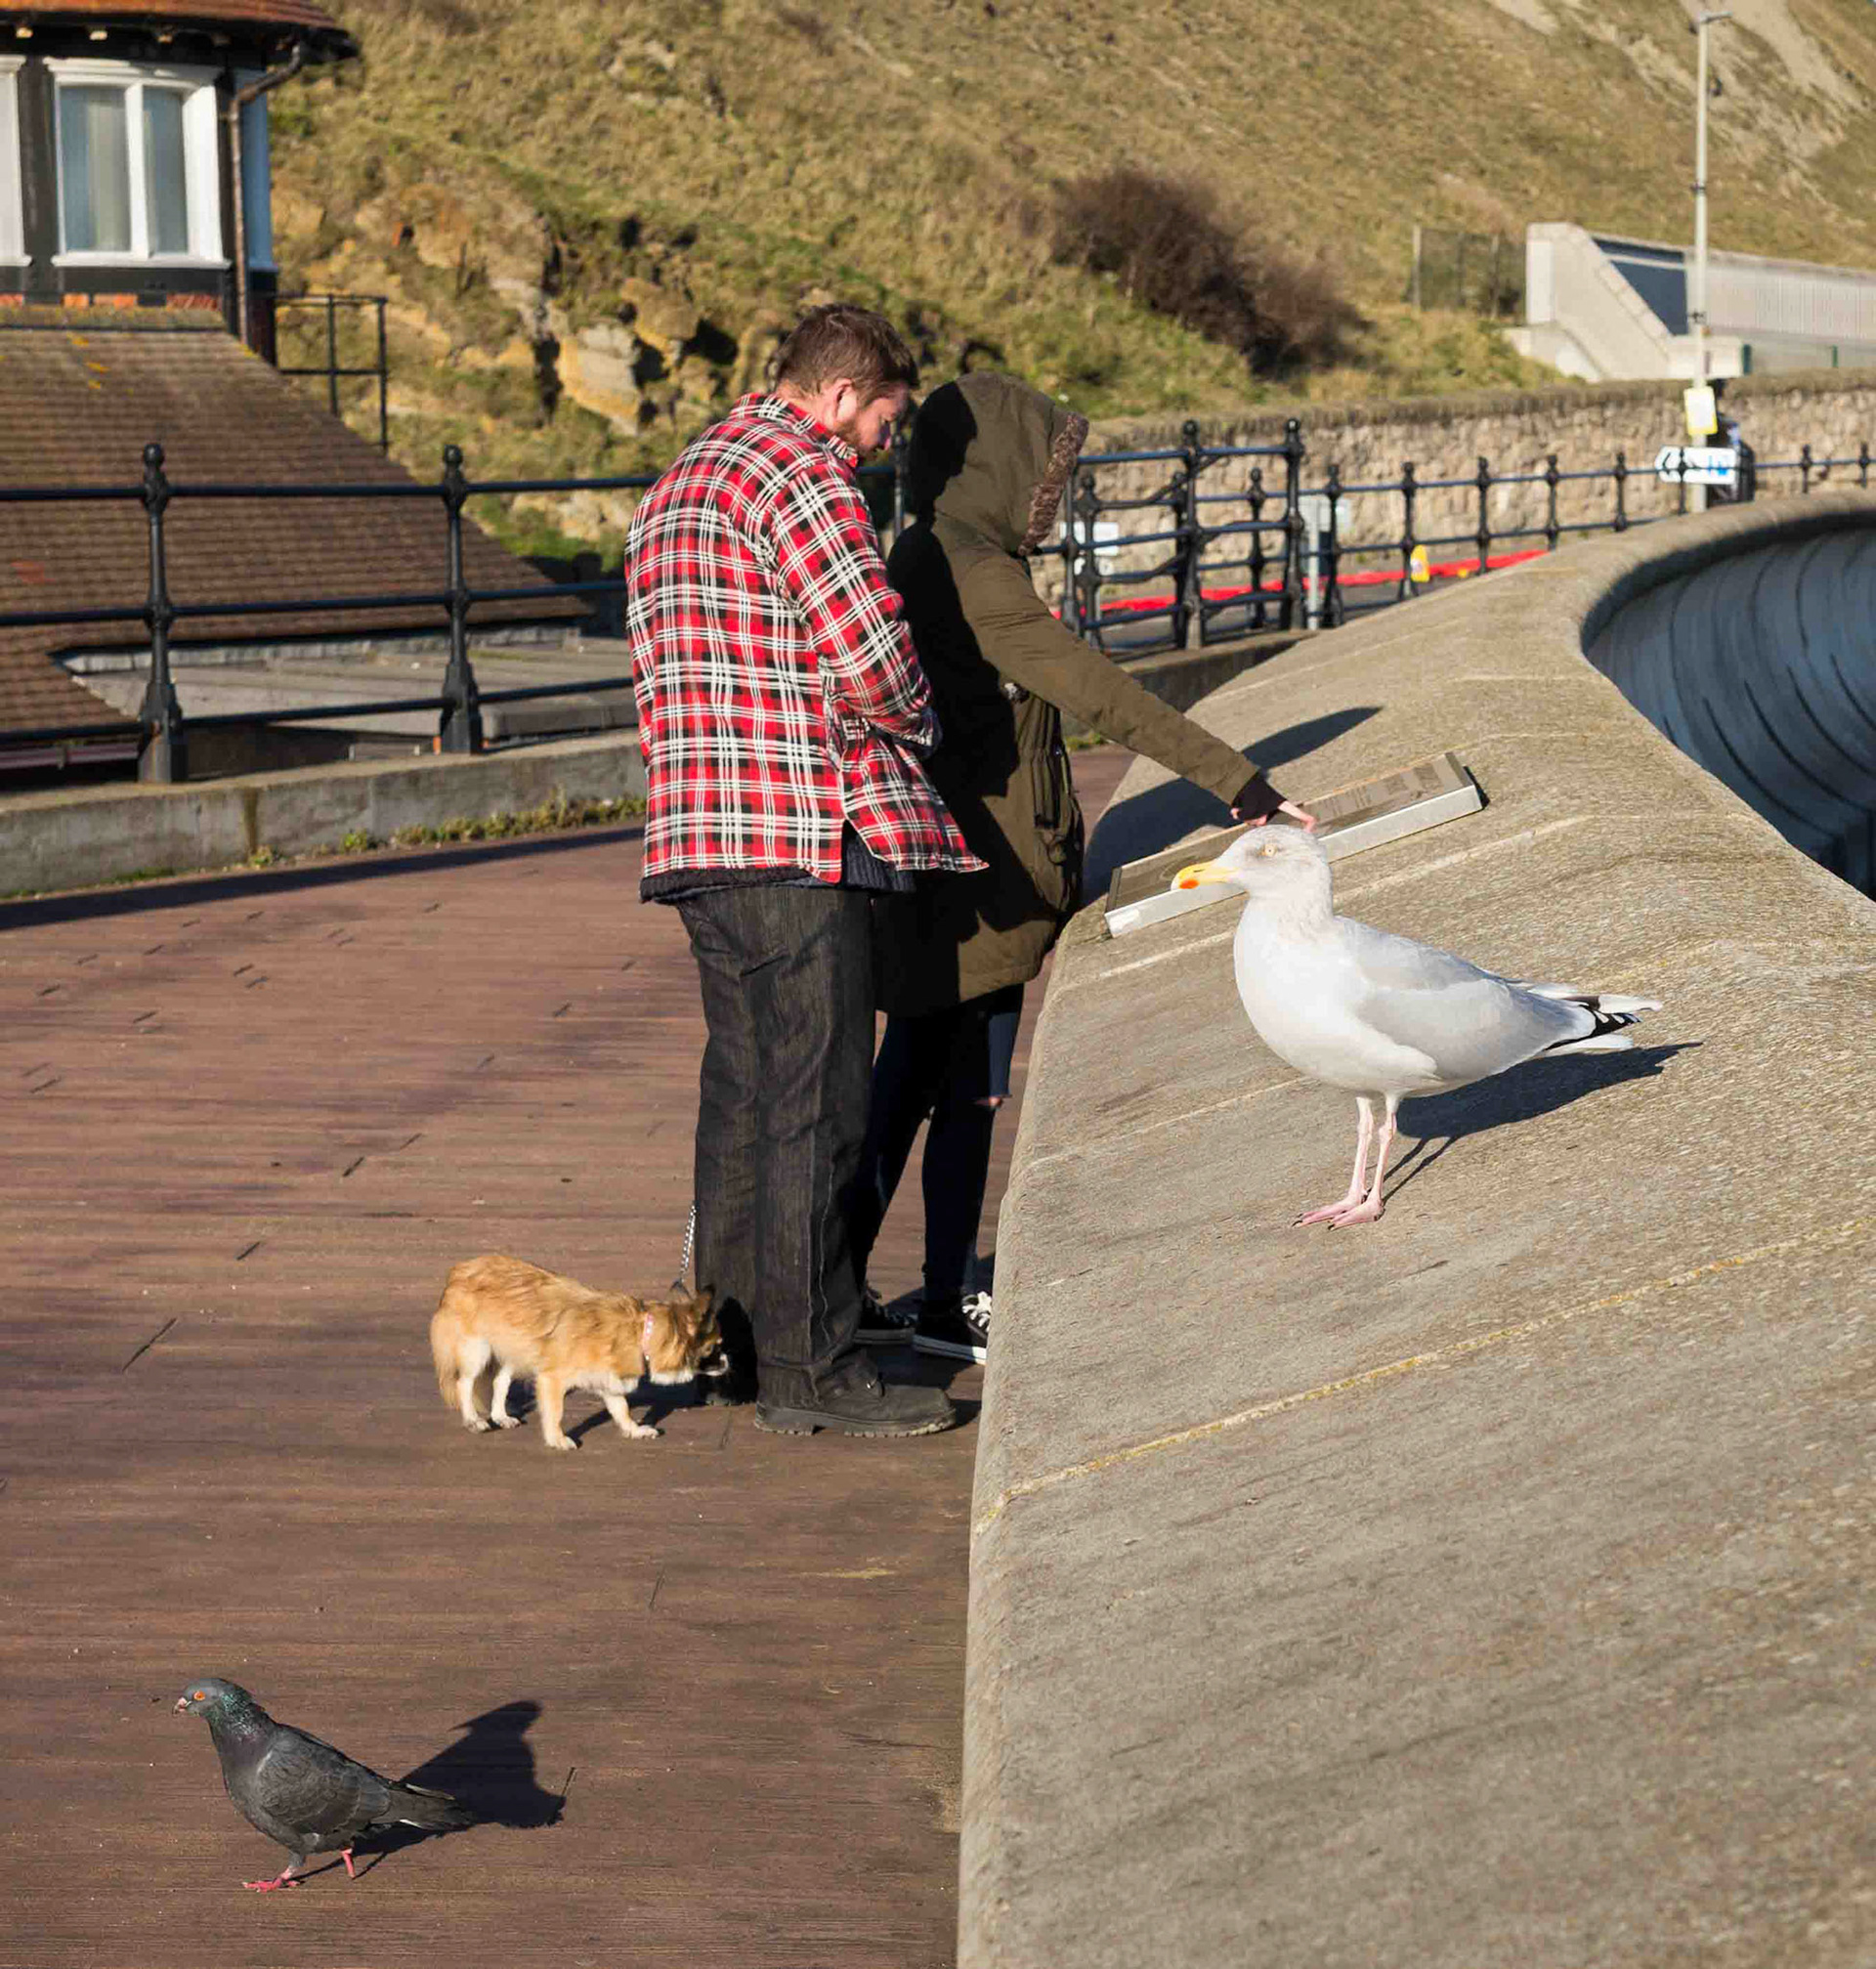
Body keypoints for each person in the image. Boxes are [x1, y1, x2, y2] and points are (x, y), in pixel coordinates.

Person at [847, 372, 1315, 1362]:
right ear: (994, 470)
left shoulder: (926, 551)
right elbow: (1099, 690)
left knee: (917, 1079)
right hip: (982, 878)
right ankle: (902, 1293)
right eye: (1039, 471)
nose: (1050, 493)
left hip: (948, 868)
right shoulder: (977, 576)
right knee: (952, 1090)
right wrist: (1241, 784)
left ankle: (880, 1289)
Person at [623, 305, 984, 1438]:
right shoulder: (802, 476)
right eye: (883, 418)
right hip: (795, 833)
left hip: (694, 837)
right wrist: (927, 723)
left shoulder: (677, 482)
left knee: (741, 1102)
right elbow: (872, 656)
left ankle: (724, 1349)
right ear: (841, 396)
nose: (883, 442)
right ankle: (815, 1364)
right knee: (820, 1105)